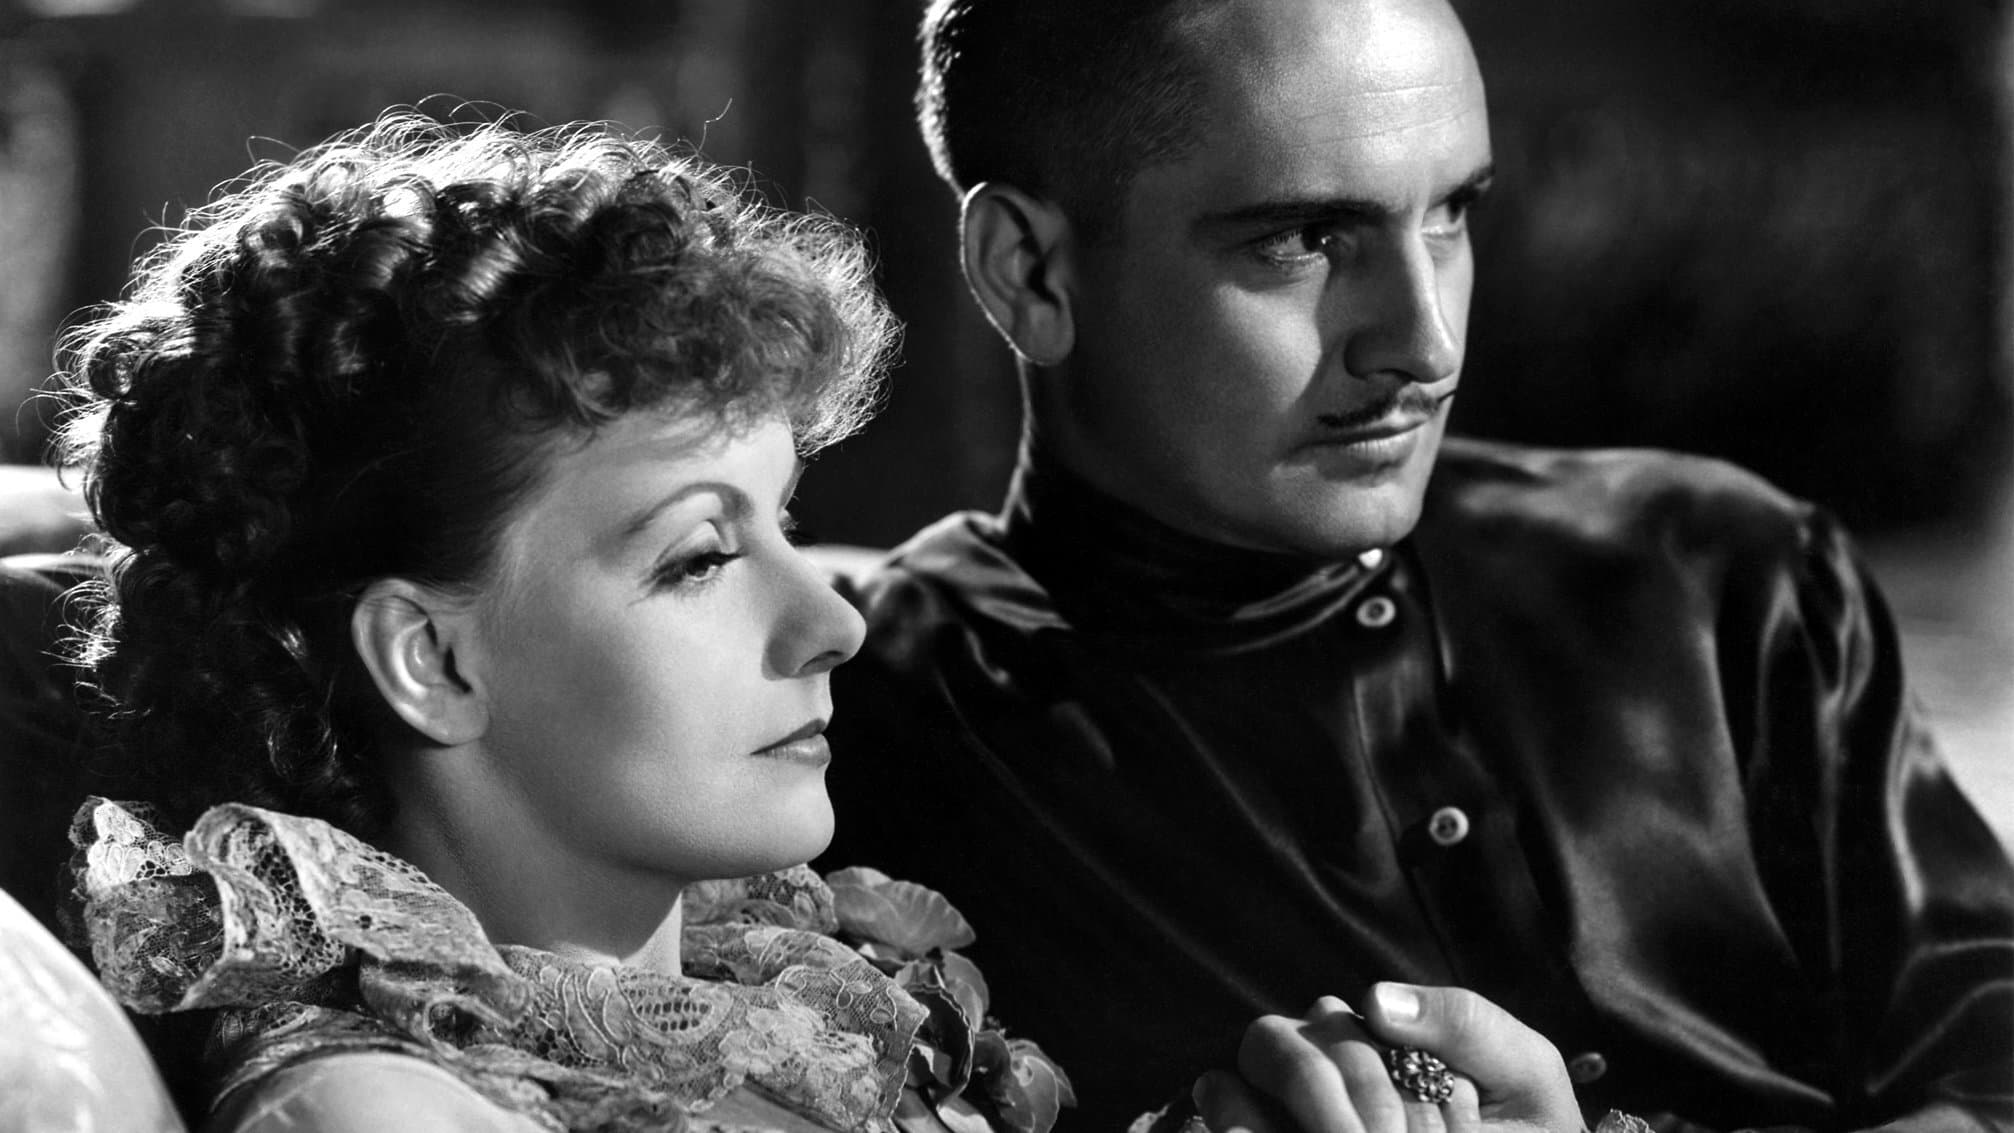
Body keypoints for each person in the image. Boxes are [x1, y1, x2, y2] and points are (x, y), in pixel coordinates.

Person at [818, 0, 2014, 1129]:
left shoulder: (1720, 575)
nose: (1426, 343)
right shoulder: (843, 730)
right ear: (1027, 270)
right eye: (1304, 238)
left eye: (1451, 214)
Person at [53, 113, 1072, 1133]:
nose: (833, 620)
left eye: (787, 521)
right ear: (430, 660)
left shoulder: (800, 1009)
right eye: (699, 557)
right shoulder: (380, 1112)